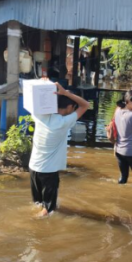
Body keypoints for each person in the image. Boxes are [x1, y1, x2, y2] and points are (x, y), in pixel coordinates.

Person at [29, 83, 90, 217]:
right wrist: (66, 93)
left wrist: (45, 86)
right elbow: (86, 105)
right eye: (73, 108)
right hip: (49, 171)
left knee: (37, 203)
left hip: (33, 168)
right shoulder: (63, 122)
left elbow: (33, 100)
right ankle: (34, 223)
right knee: (49, 210)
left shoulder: (39, 116)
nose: (73, 111)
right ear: (69, 107)